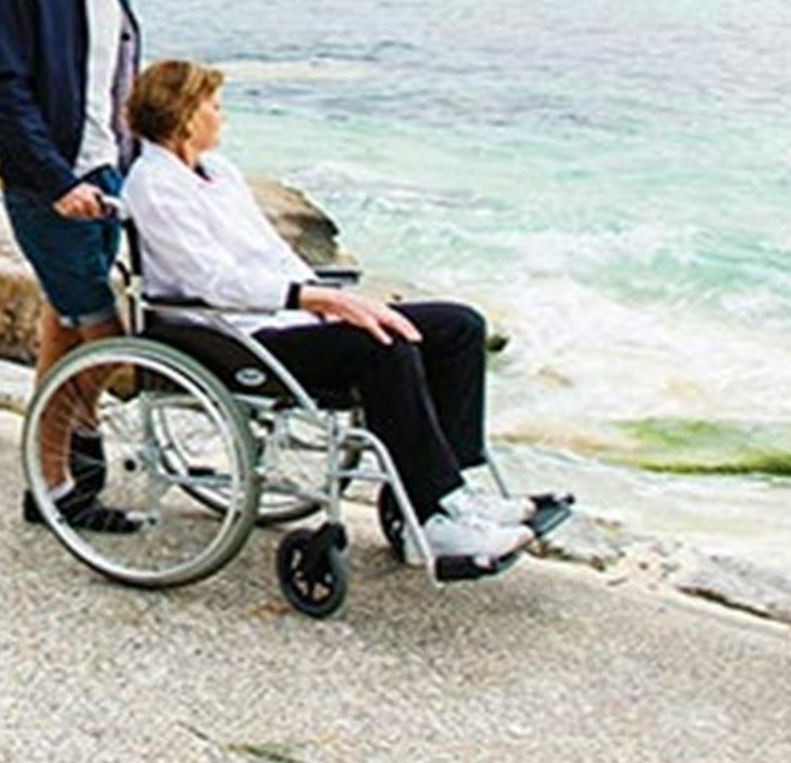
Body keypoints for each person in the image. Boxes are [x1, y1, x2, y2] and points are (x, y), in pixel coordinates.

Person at [119, 58, 569, 570]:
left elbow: (272, 253)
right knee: (382, 344)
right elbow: (211, 282)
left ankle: (457, 491)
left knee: (459, 327)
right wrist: (316, 300)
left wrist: (329, 297)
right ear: (183, 116)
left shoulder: (218, 172)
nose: (222, 116)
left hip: (290, 315)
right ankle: (435, 518)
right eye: (213, 106)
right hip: (236, 333)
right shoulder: (154, 186)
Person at [0, 0, 199, 531]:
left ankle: (50, 485)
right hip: (54, 190)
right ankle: (74, 450)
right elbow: (3, 98)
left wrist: (152, 163)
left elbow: (111, 88)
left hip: (106, 179)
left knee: (65, 329)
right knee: (105, 334)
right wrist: (58, 182)